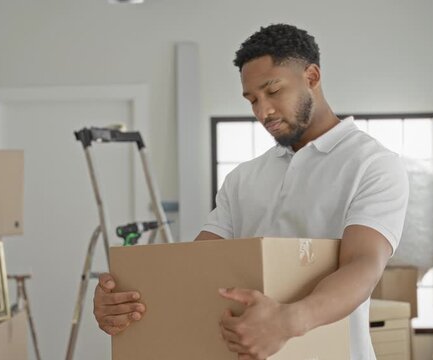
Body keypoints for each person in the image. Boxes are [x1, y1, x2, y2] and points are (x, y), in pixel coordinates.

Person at [93, 23, 409, 360]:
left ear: (312, 77)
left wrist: (288, 321)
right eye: (252, 99)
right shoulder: (243, 178)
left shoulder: (372, 164)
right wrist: (124, 300)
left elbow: (363, 266)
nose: (263, 111)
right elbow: (195, 268)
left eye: (273, 91)